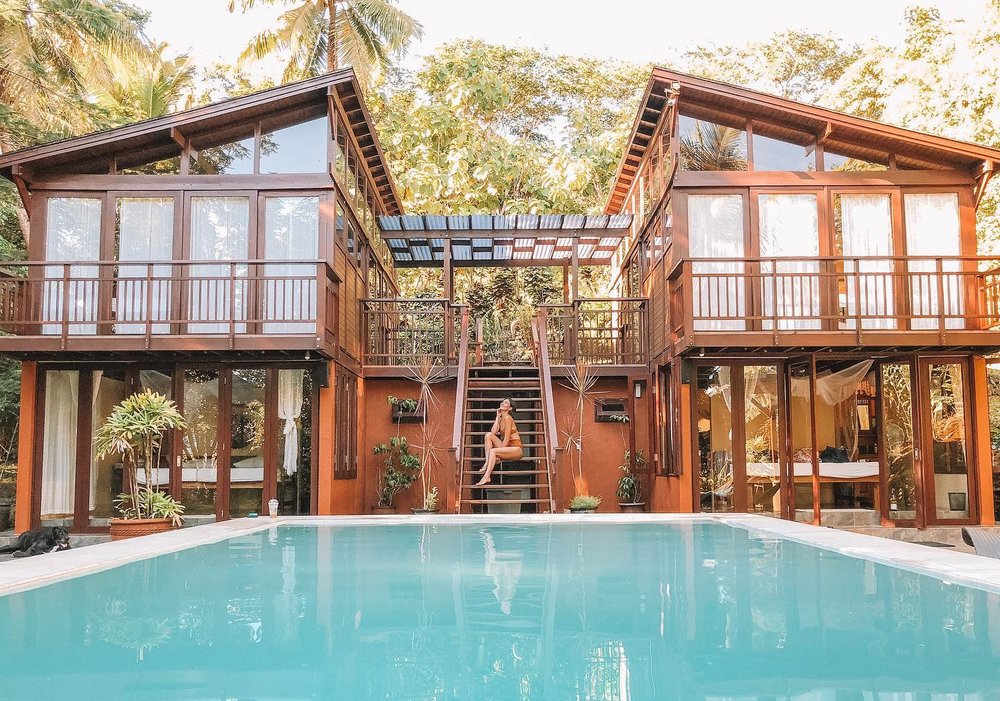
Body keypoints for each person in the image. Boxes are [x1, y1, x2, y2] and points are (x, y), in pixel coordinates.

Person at [475, 398, 523, 486]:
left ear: (510, 408)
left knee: (493, 451)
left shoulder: (508, 418)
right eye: (502, 402)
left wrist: (498, 454)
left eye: (506, 403)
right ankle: (487, 462)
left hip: (516, 448)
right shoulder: (501, 418)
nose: (502, 403)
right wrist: (497, 417)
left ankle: (487, 476)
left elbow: (506, 439)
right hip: (506, 447)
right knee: (488, 435)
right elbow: (493, 432)